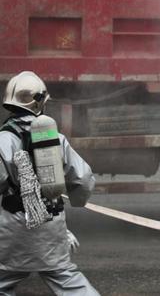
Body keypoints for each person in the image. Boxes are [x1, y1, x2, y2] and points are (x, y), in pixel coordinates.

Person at [0, 71, 99, 295]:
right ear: (40, 103)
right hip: (51, 225)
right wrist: (78, 201)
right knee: (67, 279)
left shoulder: (3, 140)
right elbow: (82, 178)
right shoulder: (56, 139)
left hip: (13, 229)